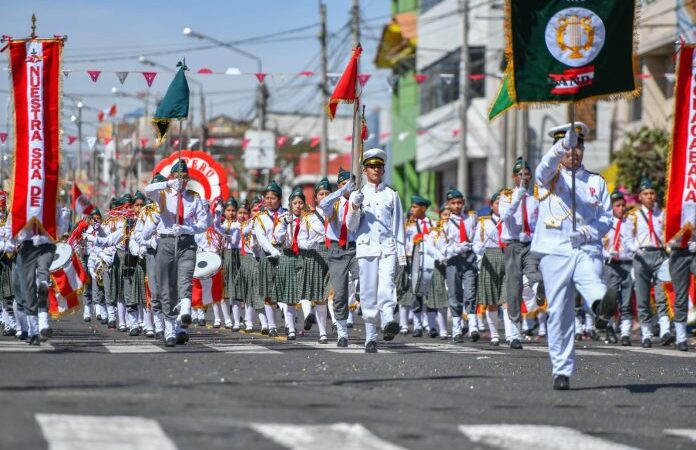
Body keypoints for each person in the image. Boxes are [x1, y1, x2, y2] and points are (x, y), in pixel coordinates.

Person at [531, 122, 616, 391]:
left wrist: (590, 232)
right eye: (570, 147)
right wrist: (560, 146)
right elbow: (543, 168)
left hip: (585, 247)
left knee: (590, 279)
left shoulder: (596, 182)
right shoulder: (549, 177)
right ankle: (561, 370)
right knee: (559, 313)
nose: (574, 152)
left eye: (578, 146)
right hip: (554, 250)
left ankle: (601, 306)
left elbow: (607, 218)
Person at [346, 148, 406, 353]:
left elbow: (399, 226)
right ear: (364, 170)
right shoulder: (357, 194)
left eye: (379, 166)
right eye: (371, 166)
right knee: (369, 291)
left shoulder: (392, 194)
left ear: (383, 168)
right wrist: (354, 207)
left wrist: (402, 254)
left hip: (388, 247)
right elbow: (351, 226)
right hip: (366, 249)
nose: (375, 169)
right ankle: (371, 335)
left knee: (387, 284)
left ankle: (388, 319)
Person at [144, 160, 208, 347]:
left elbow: (204, 224)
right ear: (172, 177)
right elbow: (148, 189)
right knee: (166, 287)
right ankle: (170, 328)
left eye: (185, 177)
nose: (182, 180)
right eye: (178, 177)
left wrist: (187, 228)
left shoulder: (194, 197)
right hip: (165, 242)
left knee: (185, 279)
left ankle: (185, 310)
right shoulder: (162, 194)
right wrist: (167, 184)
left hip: (186, 243)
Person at [499, 156, 543, 350]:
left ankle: (536, 289)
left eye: (527, 174)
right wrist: (519, 196)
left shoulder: (537, 197)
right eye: (520, 175)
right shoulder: (506, 196)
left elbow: (541, 221)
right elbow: (505, 216)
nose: (524, 178)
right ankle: (514, 334)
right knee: (513, 288)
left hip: (530, 243)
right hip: (513, 245)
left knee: (534, 271)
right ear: (513, 177)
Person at [626, 179, 672, 348]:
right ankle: (646, 334)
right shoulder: (633, 215)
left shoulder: (663, 213)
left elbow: (669, 234)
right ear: (640, 197)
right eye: (646, 194)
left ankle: (665, 330)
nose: (650, 197)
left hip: (659, 255)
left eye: (652, 193)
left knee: (662, 295)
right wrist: (635, 249)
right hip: (641, 256)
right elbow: (628, 238)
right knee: (643, 298)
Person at [319, 168, 358, 348]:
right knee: (340, 293)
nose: (349, 187)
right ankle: (342, 333)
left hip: (357, 248)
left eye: (351, 184)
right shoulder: (334, 203)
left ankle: (363, 301)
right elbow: (323, 204)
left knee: (364, 279)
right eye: (344, 184)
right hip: (337, 249)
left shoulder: (360, 201)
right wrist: (342, 191)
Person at [441, 187, 478, 343]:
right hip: (453, 260)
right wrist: (456, 248)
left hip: (469, 258)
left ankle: (473, 326)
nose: (457, 206)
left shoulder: (471, 219)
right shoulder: (445, 223)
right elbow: (442, 248)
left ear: (463, 203)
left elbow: (477, 238)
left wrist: (475, 248)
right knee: (455, 294)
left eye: (459, 203)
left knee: (470, 291)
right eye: (453, 203)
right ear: (448, 205)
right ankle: (456, 329)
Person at [252, 181, 287, 338]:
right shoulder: (259, 217)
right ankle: (272, 326)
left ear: (279, 199)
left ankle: (289, 324)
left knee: (286, 290)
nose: (269, 201)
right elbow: (261, 238)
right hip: (268, 255)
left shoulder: (286, 214)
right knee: (269, 292)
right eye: (267, 198)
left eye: (273, 198)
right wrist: (272, 250)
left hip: (285, 252)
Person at [473, 191, 506, 346]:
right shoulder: (483, 222)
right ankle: (494, 334)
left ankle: (512, 335)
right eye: (498, 203)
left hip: (507, 255)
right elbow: (476, 243)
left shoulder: (510, 220)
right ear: (492, 206)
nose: (501, 206)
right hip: (489, 257)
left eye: (504, 203)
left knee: (507, 298)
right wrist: (478, 250)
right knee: (491, 299)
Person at [601, 190, 634, 346]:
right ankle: (609, 328)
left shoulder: (630, 222)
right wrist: (606, 252)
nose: (621, 208)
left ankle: (626, 333)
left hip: (626, 264)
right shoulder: (605, 223)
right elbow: (598, 244)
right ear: (611, 207)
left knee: (626, 301)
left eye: (623, 205)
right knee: (611, 300)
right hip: (611, 265)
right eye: (617, 206)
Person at [401, 195, 435, 337]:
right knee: (414, 292)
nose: (412, 209)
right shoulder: (407, 224)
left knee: (430, 293)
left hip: (427, 261)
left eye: (415, 207)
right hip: (411, 260)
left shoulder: (432, 224)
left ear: (423, 208)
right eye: (412, 206)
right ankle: (417, 325)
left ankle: (432, 326)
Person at [214, 197, 241, 330]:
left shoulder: (239, 225)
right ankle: (227, 320)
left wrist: (227, 235)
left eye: (233, 210)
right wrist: (218, 212)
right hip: (224, 256)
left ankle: (237, 321)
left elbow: (235, 241)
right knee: (223, 291)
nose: (231, 213)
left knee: (235, 291)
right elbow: (216, 226)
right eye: (228, 210)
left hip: (235, 257)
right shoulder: (223, 225)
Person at [667, 226, 695, 352]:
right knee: (681, 295)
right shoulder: (673, 208)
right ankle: (681, 338)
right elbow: (666, 234)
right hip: (678, 252)